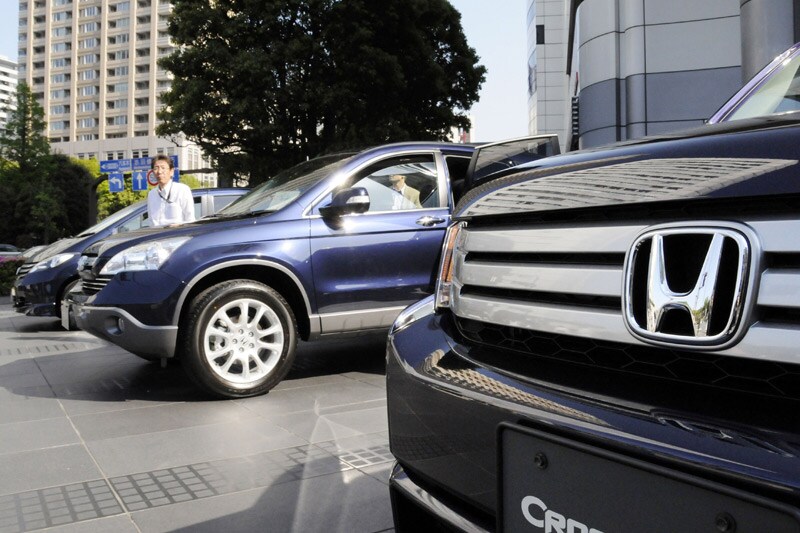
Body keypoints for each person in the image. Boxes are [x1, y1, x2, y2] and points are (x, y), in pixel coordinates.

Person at [147, 155, 195, 227]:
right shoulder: (152, 194)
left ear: (171, 171)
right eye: (156, 168)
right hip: (157, 236)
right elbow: (151, 222)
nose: (159, 172)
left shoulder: (182, 190)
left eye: (163, 168)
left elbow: (190, 220)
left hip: (177, 235)